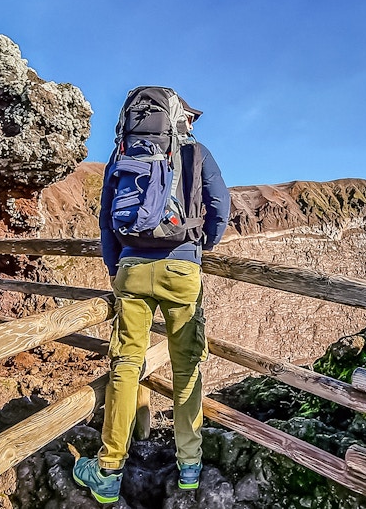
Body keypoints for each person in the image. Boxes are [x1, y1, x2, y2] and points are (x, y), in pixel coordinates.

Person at [73, 88, 230, 504]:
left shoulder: (123, 153)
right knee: (187, 367)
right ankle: (190, 466)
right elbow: (220, 206)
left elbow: (107, 219)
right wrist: (199, 248)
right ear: (181, 117)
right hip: (182, 269)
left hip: (132, 269)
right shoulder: (197, 153)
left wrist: (115, 265)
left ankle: (108, 470)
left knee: (125, 364)